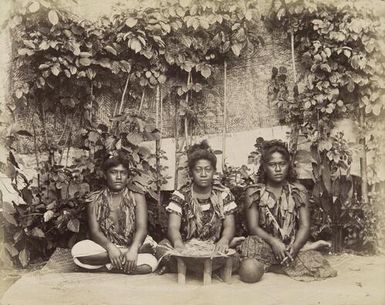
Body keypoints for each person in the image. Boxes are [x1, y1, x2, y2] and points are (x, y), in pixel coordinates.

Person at [239, 140, 336, 283]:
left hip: (290, 245)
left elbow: (304, 226)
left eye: (282, 164)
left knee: (319, 266)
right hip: (262, 243)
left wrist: (295, 247)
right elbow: (253, 227)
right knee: (249, 272)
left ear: (288, 165)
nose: (278, 169)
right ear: (265, 167)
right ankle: (280, 266)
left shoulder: (298, 191)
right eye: (272, 165)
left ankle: (276, 264)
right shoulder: (254, 192)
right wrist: (274, 242)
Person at [157, 140, 241, 273]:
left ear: (214, 171)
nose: (203, 174)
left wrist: (224, 240)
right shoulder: (181, 195)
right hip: (187, 247)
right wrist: (178, 244)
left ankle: (190, 268)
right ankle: (203, 268)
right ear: (191, 173)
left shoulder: (223, 194)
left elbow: (230, 225)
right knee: (162, 247)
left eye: (208, 169)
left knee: (234, 258)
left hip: (212, 248)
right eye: (198, 170)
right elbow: (173, 227)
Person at [71, 153, 158, 274]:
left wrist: (133, 249)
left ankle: (107, 266)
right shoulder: (94, 199)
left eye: (123, 173)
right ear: (105, 175)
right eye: (113, 172)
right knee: (77, 251)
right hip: (106, 247)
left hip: (133, 243)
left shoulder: (137, 196)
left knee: (150, 263)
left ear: (128, 176)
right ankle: (123, 261)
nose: (118, 177)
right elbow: (95, 232)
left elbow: (142, 228)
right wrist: (111, 248)